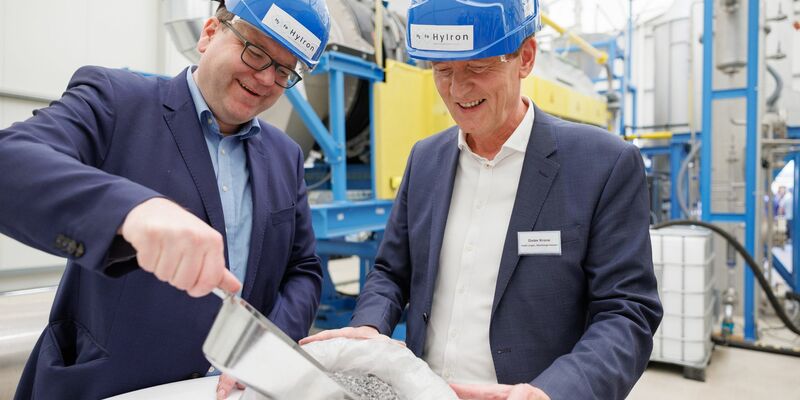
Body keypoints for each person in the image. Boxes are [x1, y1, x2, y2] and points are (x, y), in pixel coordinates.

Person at [301, 1, 662, 399]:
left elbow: (627, 312)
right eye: (443, 71)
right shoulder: (426, 159)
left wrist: (553, 392)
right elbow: (391, 270)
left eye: (476, 68)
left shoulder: (602, 164)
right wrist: (370, 327)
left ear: (525, 57)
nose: (457, 91)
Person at [0, 0, 330, 398]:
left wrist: (267, 348)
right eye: (255, 51)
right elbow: (10, 162)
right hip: (112, 386)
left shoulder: (285, 154)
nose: (264, 78)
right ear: (209, 33)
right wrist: (131, 211)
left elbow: (304, 269)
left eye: (283, 70)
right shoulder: (117, 101)